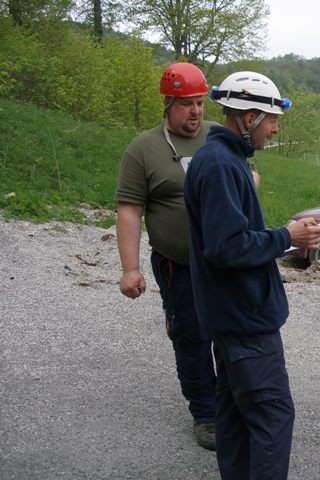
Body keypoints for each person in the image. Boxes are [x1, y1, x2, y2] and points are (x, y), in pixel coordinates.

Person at [183, 71, 320, 479]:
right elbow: (225, 247)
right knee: (272, 417)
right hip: (243, 319)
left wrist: (288, 239)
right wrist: (285, 236)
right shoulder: (221, 165)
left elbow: (233, 237)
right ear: (247, 118)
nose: (275, 129)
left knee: (234, 416)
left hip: (232, 317)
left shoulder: (224, 161)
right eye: (271, 119)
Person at [115, 62, 218, 451]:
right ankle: (205, 414)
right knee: (191, 337)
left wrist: (247, 177)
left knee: (225, 333)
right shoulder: (144, 149)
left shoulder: (216, 138)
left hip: (222, 263)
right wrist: (130, 268)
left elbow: (249, 174)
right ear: (169, 103)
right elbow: (129, 210)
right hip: (179, 264)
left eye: (200, 103)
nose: (195, 112)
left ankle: (229, 401)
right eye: (187, 104)